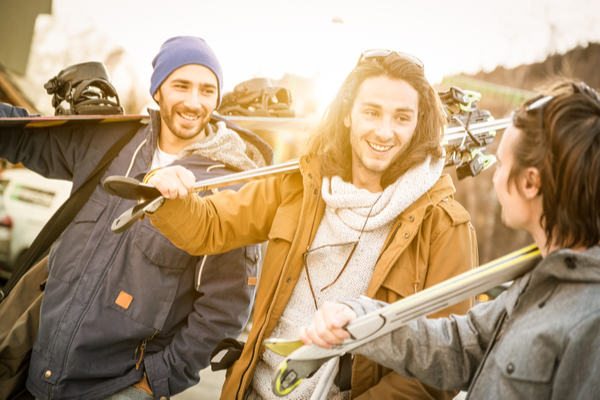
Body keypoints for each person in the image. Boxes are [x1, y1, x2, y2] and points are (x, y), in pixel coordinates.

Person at [145, 50, 478, 399]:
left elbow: (441, 369)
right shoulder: (301, 184)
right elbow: (210, 225)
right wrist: (165, 189)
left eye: (401, 117)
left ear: (418, 124)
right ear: (347, 114)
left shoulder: (445, 225)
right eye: (371, 112)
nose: (384, 131)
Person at [0, 36, 273, 400]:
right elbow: (22, 136)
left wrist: (153, 382)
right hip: (40, 373)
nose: (194, 102)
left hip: (116, 388)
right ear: (157, 90)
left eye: (207, 90)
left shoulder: (229, 187)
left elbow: (224, 310)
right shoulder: (109, 144)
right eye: (181, 86)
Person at [299, 79, 600, 399]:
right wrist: (362, 319)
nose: (495, 178)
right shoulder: (537, 280)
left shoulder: (590, 321)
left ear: (530, 183)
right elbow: (460, 346)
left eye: (501, 165)